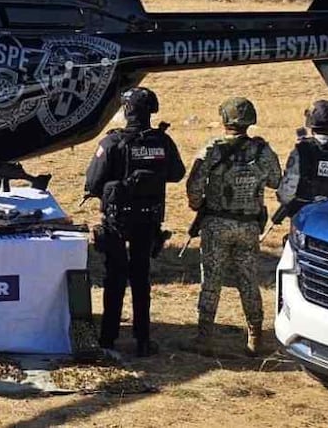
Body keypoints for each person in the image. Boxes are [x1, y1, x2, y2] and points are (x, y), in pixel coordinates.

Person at [85, 87, 185, 357]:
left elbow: (93, 183)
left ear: (127, 110)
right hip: (148, 219)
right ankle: (142, 339)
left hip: (118, 220)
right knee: (141, 279)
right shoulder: (162, 141)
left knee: (115, 278)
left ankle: (108, 338)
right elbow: (177, 173)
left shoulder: (112, 142)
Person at [186, 97, 282, 356]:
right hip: (249, 225)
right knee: (248, 279)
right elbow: (275, 180)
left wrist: (198, 205)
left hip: (216, 223)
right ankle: (255, 336)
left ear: (225, 120)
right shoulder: (262, 151)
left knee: (212, 280)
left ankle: (204, 337)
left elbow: (194, 185)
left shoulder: (213, 148)